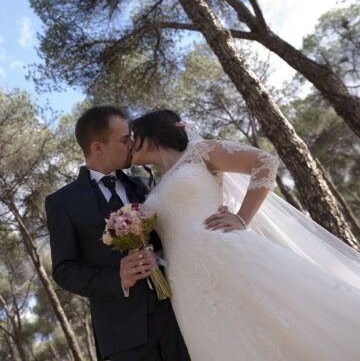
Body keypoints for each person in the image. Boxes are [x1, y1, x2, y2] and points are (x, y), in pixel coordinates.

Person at [130, 109, 360, 361]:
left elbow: (265, 162)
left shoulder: (199, 152)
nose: (130, 144)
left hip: (227, 256)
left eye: (134, 137)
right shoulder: (154, 186)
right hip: (186, 282)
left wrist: (241, 217)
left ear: (151, 135)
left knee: (283, 325)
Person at [45, 106, 190, 360]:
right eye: (125, 139)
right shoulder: (62, 202)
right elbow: (64, 270)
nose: (133, 144)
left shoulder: (144, 186)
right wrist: (117, 278)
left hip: (175, 320)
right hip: (121, 336)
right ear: (97, 147)